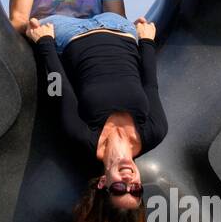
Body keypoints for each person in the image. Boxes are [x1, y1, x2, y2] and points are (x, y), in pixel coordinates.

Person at [26, 13, 167, 198]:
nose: (128, 183)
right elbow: (150, 84)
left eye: (118, 189)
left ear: (102, 182)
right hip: (120, 28)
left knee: (21, 23)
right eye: (136, 190)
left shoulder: (83, 138)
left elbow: (59, 89)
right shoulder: (154, 132)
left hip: (68, 34)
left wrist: (44, 42)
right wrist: (147, 41)